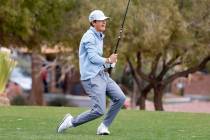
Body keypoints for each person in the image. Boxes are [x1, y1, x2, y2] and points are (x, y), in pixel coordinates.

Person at [57, 10, 126, 135]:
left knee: (120, 98)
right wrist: (108, 59)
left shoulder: (98, 36)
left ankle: (103, 127)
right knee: (99, 110)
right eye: (101, 20)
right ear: (93, 22)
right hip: (91, 78)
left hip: (102, 75)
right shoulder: (89, 36)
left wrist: (109, 63)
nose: (104, 22)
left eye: (105, 20)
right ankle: (70, 121)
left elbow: (97, 61)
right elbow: (93, 58)